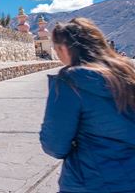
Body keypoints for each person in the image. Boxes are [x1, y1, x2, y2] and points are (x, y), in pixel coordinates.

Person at [39, 18, 135, 192]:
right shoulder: (128, 72)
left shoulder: (71, 81)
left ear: (64, 48)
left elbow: (55, 145)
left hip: (91, 180)